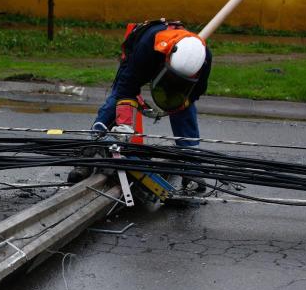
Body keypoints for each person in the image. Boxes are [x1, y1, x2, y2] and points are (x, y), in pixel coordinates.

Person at [68, 19, 212, 185]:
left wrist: (176, 103)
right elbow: (126, 89)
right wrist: (124, 125)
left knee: (185, 109)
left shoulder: (205, 57)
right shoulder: (147, 45)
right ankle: (86, 158)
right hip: (145, 57)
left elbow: (197, 91)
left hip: (176, 72)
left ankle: (192, 168)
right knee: (114, 102)